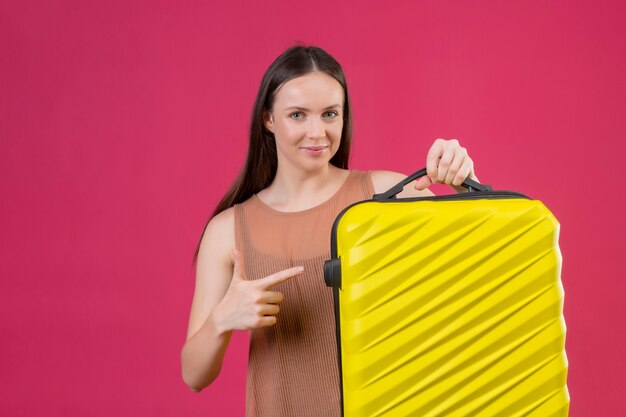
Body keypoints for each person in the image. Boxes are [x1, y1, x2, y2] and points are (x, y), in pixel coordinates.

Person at [181, 45, 479, 417]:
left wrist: (464, 180)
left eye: (329, 114)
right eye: (297, 115)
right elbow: (193, 375)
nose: (316, 131)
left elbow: (477, 266)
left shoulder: (387, 193)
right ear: (268, 119)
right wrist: (223, 319)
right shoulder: (228, 229)